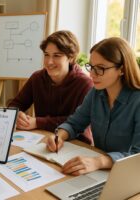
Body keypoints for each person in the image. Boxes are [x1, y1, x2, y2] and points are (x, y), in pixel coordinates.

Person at [45, 37, 140, 176]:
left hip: (129, 175)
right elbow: (75, 123)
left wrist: (99, 162)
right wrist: (59, 136)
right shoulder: (96, 93)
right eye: (91, 67)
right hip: (100, 172)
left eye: (100, 68)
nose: (92, 74)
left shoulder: (137, 101)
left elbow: (137, 155)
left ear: (122, 69)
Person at [8, 30, 93, 134]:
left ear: (70, 57)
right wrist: (17, 115)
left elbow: (78, 121)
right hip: (42, 137)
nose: (49, 62)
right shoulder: (37, 78)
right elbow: (15, 104)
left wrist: (38, 122)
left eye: (56, 55)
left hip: (76, 142)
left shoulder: (85, 84)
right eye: (46, 55)